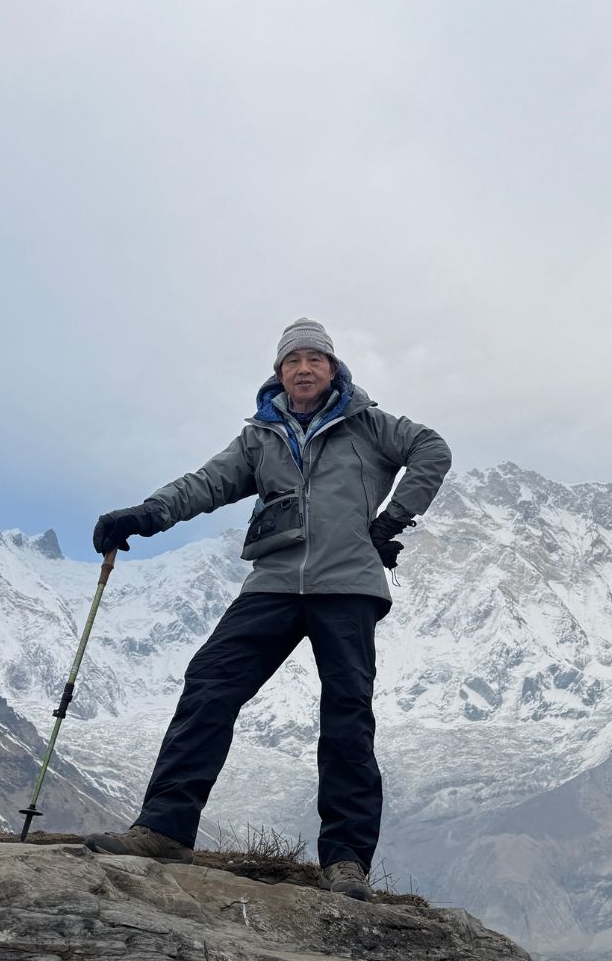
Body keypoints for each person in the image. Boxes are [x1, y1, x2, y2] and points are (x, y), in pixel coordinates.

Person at [83, 318, 452, 901]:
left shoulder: (370, 424)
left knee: (346, 714)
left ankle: (346, 862)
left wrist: (391, 519)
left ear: (334, 368)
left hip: (348, 585)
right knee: (210, 683)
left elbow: (432, 448)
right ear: (278, 373)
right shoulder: (262, 435)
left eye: (315, 359)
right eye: (291, 361)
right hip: (274, 581)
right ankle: (165, 828)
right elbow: (205, 484)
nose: (303, 370)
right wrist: (144, 515)